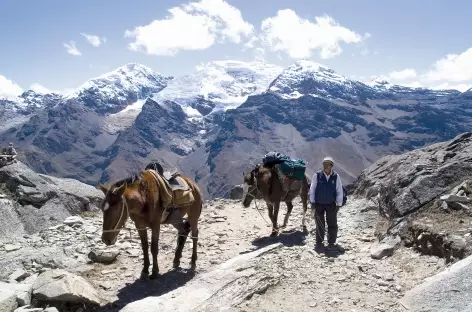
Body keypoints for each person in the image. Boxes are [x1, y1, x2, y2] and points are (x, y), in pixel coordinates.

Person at [309, 157, 343, 253]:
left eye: (327, 164)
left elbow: (339, 191)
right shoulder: (317, 175)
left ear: (331, 165)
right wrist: (312, 202)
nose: (325, 166)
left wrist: (339, 204)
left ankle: (331, 242)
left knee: (332, 223)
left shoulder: (336, 177)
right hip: (318, 204)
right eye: (324, 164)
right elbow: (312, 189)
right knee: (319, 223)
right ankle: (319, 241)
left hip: (331, 204)